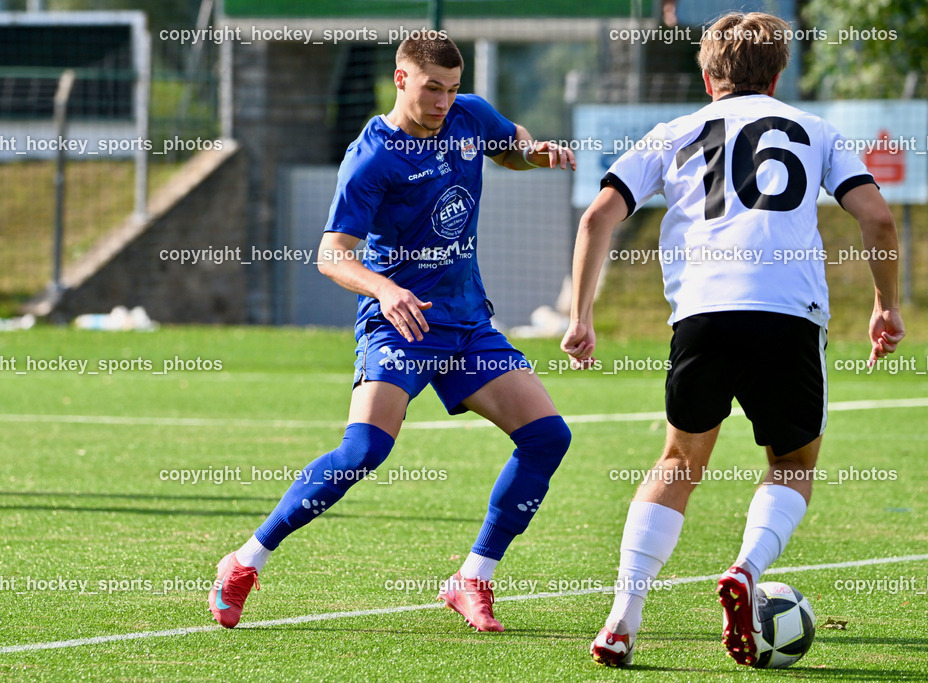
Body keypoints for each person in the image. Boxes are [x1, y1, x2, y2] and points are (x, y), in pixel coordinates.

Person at [561, 11, 904, 667]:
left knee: (678, 463)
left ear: (705, 70)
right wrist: (885, 306)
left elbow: (598, 216)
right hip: (788, 316)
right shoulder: (816, 130)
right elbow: (879, 221)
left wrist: (582, 315)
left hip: (703, 316)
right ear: (778, 73)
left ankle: (620, 621)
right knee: (792, 465)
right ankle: (745, 568)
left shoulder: (671, 132)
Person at [209, 32, 577, 633]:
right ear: (401, 78)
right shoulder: (372, 157)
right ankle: (246, 561)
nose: (443, 102)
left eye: (452, 89)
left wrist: (538, 153)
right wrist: (384, 287)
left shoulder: (469, 115)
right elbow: (332, 256)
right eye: (432, 88)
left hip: (464, 321)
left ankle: (474, 576)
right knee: (364, 452)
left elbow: (510, 150)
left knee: (548, 438)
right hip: (400, 323)